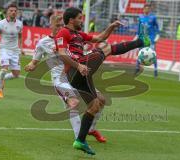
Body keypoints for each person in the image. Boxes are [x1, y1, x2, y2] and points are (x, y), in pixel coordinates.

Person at [55, 7, 150, 155]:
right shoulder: (63, 32)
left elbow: (99, 38)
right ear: (71, 20)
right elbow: (61, 54)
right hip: (75, 70)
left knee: (95, 105)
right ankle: (140, 41)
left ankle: (80, 141)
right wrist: (78, 65)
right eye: (80, 18)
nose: (82, 20)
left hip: (81, 74)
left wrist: (111, 27)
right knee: (106, 50)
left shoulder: (79, 34)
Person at [24, 15, 106, 143]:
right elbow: (34, 62)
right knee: (74, 104)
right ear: (50, 26)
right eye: (57, 26)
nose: (60, 28)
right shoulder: (43, 43)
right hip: (61, 79)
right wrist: (31, 65)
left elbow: (93, 42)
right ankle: (79, 138)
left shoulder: (72, 37)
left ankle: (90, 129)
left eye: (62, 25)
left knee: (101, 100)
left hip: (76, 76)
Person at [0, 3, 24, 98]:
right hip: (4, 49)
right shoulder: (1, 24)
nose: (13, 12)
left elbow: (20, 37)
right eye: (11, 11)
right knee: (4, 68)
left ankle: (3, 79)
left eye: (15, 11)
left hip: (15, 51)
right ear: (7, 12)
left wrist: (21, 49)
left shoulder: (20, 24)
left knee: (16, 74)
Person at [134, 3, 159, 77]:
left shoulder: (153, 17)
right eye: (146, 8)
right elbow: (139, 28)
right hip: (142, 38)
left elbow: (157, 27)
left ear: (150, 9)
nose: (147, 9)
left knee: (153, 55)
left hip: (150, 39)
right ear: (143, 9)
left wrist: (157, 36)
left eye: (148, 8)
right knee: (140, 53)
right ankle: (137, 68)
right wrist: (136, 36)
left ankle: (155, 70)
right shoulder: (140, 17)